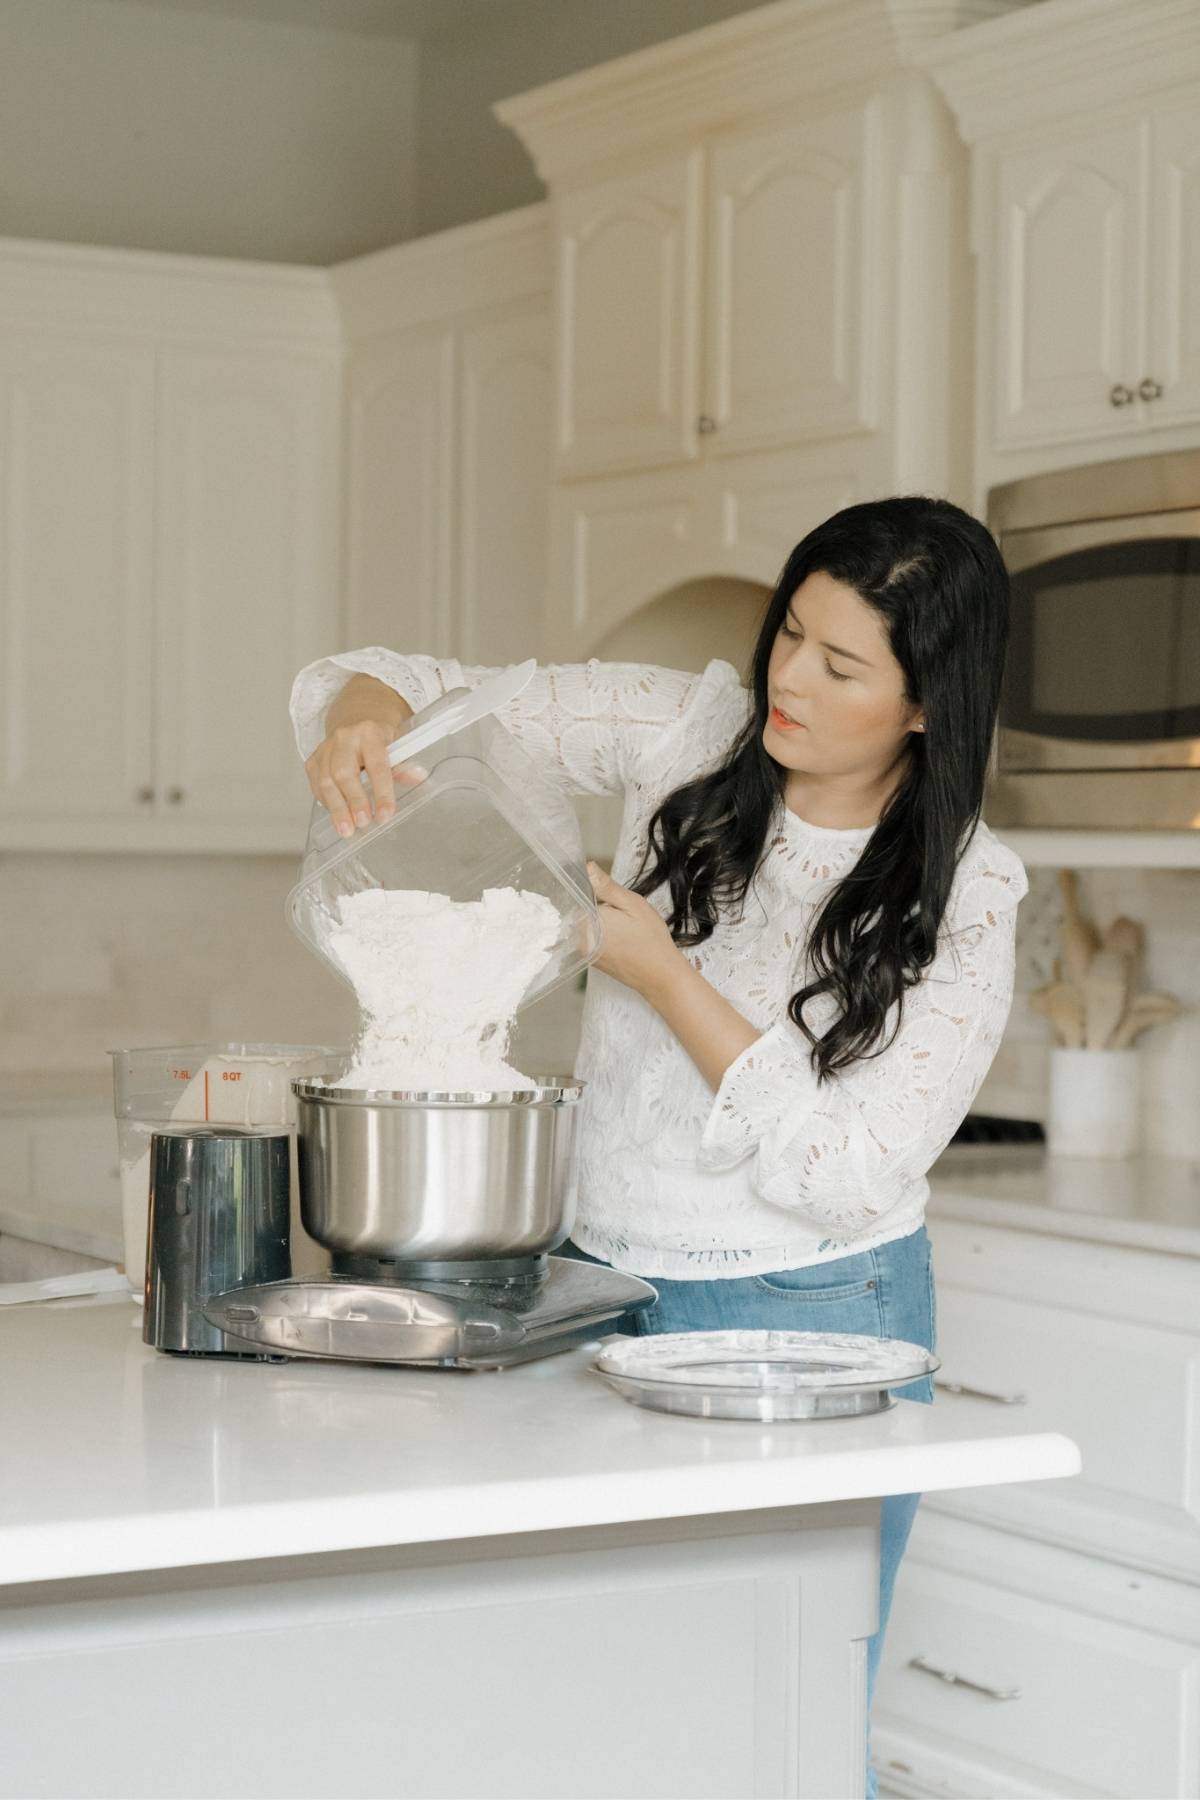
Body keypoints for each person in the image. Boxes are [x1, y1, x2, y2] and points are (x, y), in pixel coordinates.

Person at [290, 495, 1026, 1789]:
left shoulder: (965, 895)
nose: (788, 680)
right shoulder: (688, 732)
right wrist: (368, 716)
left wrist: (663, 973)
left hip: (811, 1314)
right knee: (582, 1709)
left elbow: (845, 1168)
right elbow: (428, 689)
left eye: (841, 664)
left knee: (771, 1721)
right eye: (789, 632)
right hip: (594, 1284)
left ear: (926, 704)